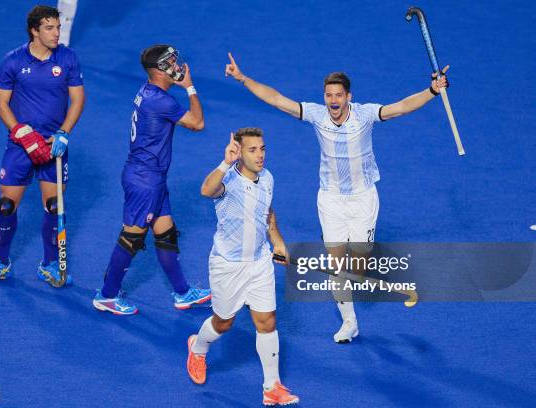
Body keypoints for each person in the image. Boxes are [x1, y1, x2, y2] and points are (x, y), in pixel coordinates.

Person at [225, 52, 449, 343]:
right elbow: (277, 99)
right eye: (328, 95)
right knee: (337, 265)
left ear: (348, 97)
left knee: (359, 264)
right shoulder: (317, 115)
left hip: (363, 199)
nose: (333, 101)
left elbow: (402, 107)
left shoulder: (366, 115)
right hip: (330, 199)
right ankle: (349, 322)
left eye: (338, 95)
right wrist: (243, 79)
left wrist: (432, 90)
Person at [92, 45, 210, 315]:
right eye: (170, 62)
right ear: (158, 70)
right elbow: (197, 123)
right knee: (132, 238)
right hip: (146, 181)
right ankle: (107, 295)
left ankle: (182, 293)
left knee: (165, 234)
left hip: (150, 176)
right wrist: (190, 87)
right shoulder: (162, 101)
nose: (176, 65)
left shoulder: (148, 92)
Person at [186, 128, 299, 406]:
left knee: (267, 321)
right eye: (252, 150)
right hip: (228, 265)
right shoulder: (228, 180)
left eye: (262, 149)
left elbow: (267, 214)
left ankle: (272, 387)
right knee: (224, 323)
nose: (260, 155)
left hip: (259, 262)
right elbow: (206, 190)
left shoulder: (268, 178)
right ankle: (197, 349)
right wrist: (225, 162)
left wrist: (278, 242)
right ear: (239, 154)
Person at [0, 5, 85, 286]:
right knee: (5, 205)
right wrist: (20, 132)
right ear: (34, 31)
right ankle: (0, 262)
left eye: (58, 27)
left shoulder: (68, 58)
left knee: (53, 206)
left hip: (53, 146)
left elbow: (77, 99)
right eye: (49, 28)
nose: (56, 33)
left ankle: (49, 264)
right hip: (20, 146)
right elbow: (0, 103)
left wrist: (64, 132)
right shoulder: (13, 61)